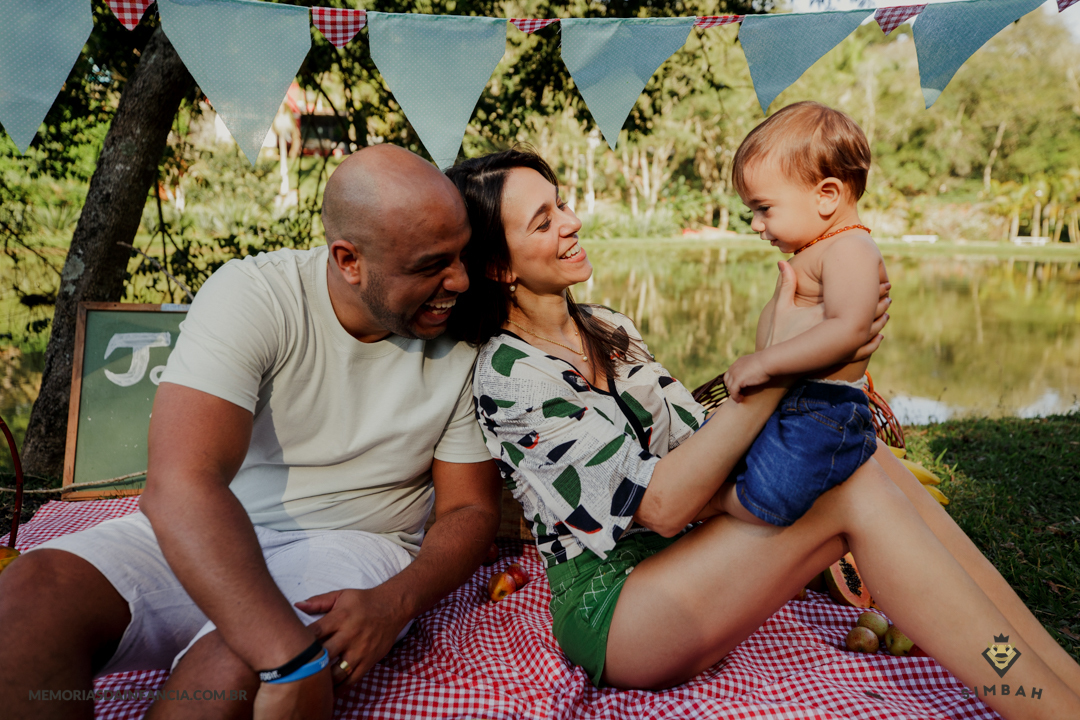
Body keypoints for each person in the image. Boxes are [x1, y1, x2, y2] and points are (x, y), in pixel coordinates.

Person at [445, 146, 1080, 720]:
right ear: (499, 267)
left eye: (563, 205)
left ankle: (1058, 679)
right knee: (850, 489)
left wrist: (802, 365)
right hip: (620, 614)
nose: (572, 221)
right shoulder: (510, 375)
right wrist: (783, 362)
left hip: (691, 565)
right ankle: (1040, 705)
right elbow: (661, 505)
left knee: (867, 461)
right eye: (543, 220)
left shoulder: (609, 327)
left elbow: (695, 440)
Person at [0, 145, 503, 720]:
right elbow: (181, 484)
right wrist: (292, 660)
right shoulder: (257, 295)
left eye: (462, 254)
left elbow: (469, 510)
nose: (459, 280)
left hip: (354, 543)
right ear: (348, 260)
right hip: (216, 525)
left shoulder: (464, 339)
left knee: (231, 671)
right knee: (29, 598)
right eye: (430, 265)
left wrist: (395, 603)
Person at [720, 102, 889, 528]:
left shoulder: (850, 248)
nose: (757, 225)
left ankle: (714, 505)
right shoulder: (819, 248)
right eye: (751, 212)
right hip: (798, 399)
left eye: (764, 208)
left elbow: (847, 329)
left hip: (823, 408)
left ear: (827, 196)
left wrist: (763, 361)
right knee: (743, 462)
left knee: (772, 495)